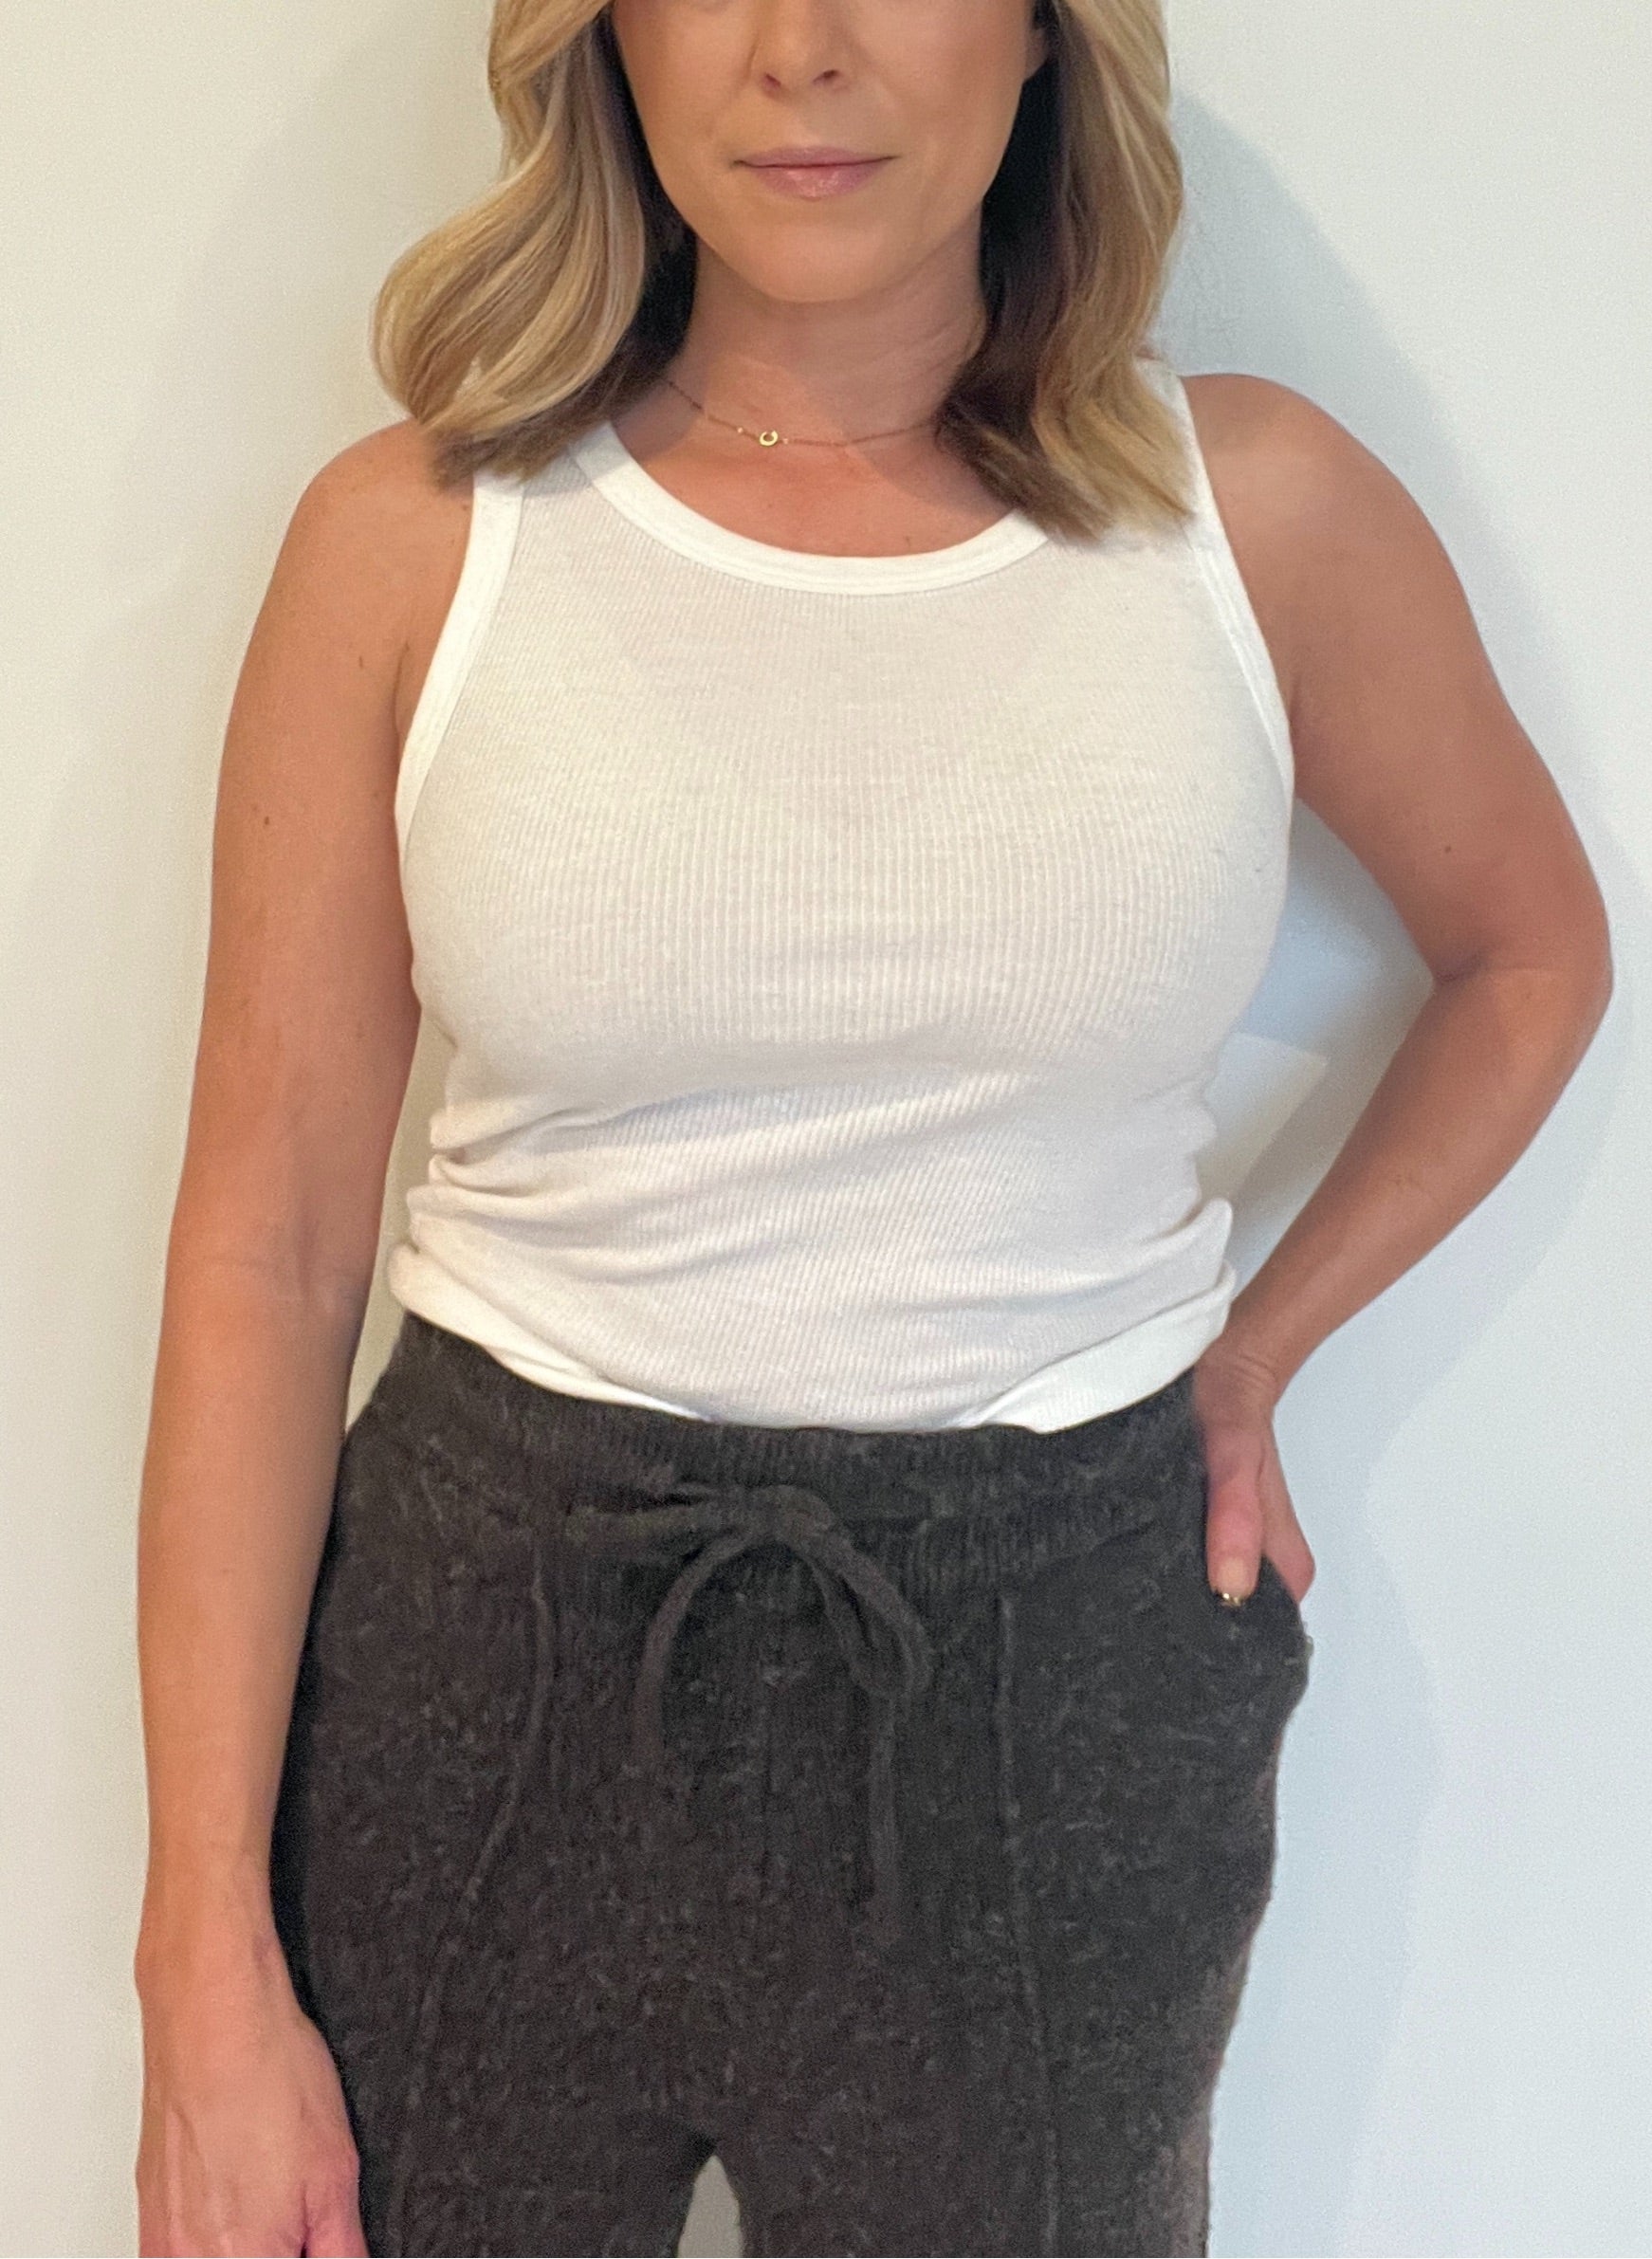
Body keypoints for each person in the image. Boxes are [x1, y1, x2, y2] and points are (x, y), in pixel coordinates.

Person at [130, 0, 1613, 2251]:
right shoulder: (414, 541)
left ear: (1040, 38)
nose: (799, 49)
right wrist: (200, 1959)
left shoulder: (1257, 516)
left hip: (1059, 1695)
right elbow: (269, 1252)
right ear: (604, 39)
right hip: (484, 1675)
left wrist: (1258, 1347)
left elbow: (1528, 953)